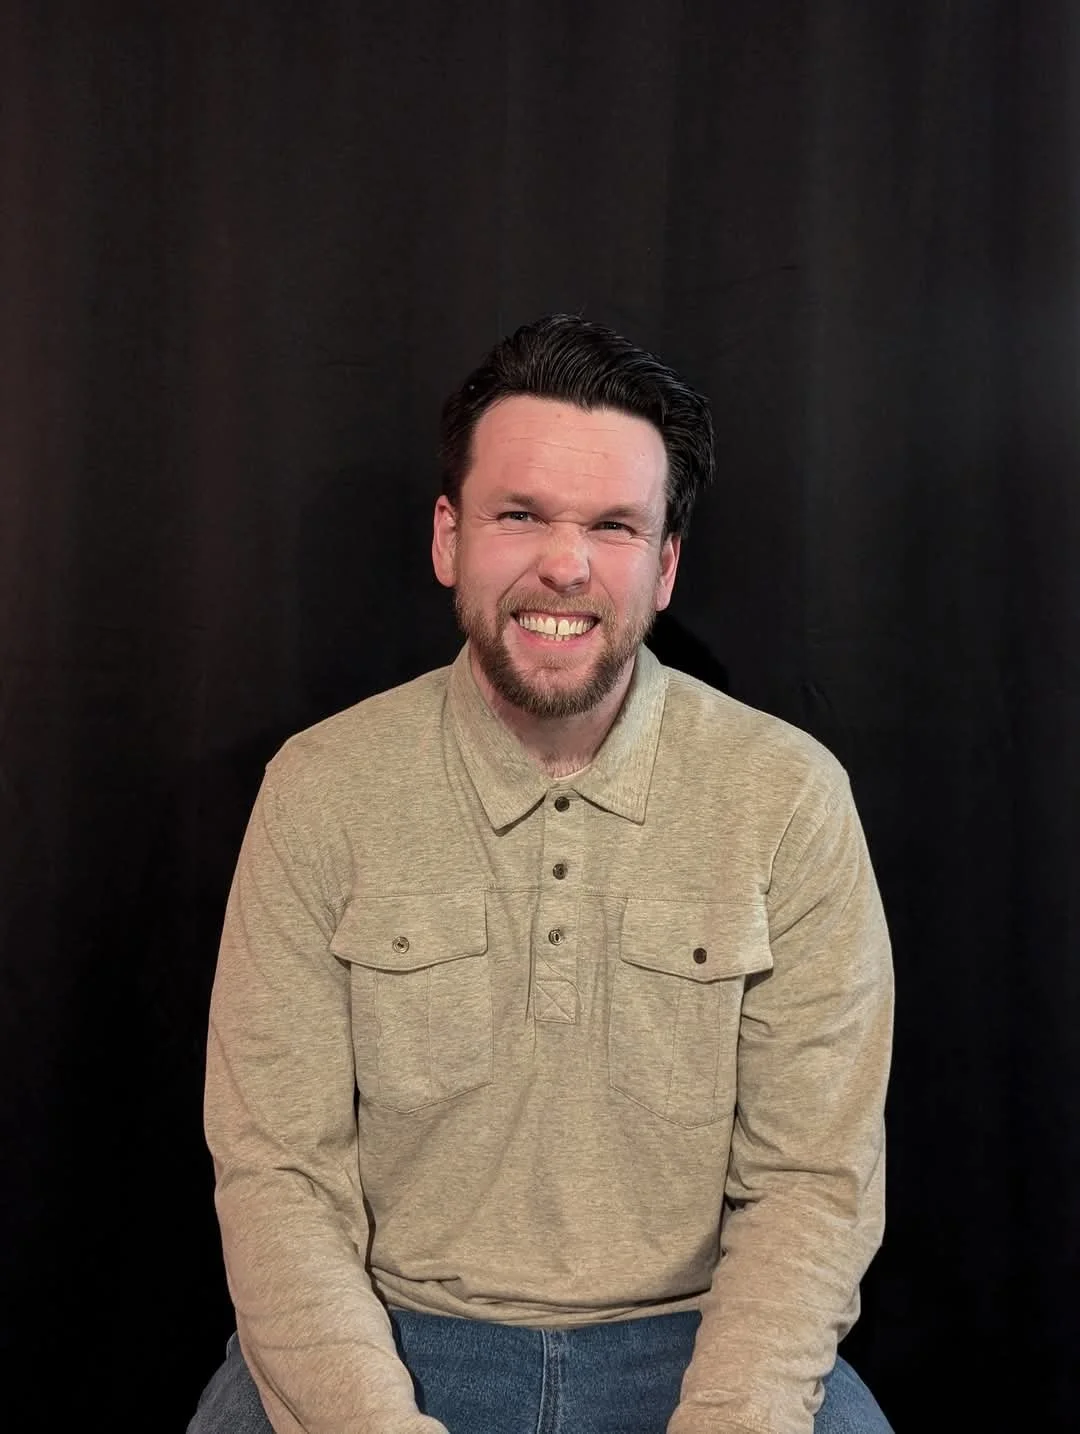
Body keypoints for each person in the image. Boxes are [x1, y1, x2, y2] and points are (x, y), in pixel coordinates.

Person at [188, 314, 895, 1434]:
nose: (565, 563)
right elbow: (278, 1172)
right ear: (449, 537)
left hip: (700, 1345)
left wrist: (732, 1417)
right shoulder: (321, 788)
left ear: (664, 566)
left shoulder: (788, 797)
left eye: (614, 525)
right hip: (388, 1333)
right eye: (519, 514)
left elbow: (813, 1182)